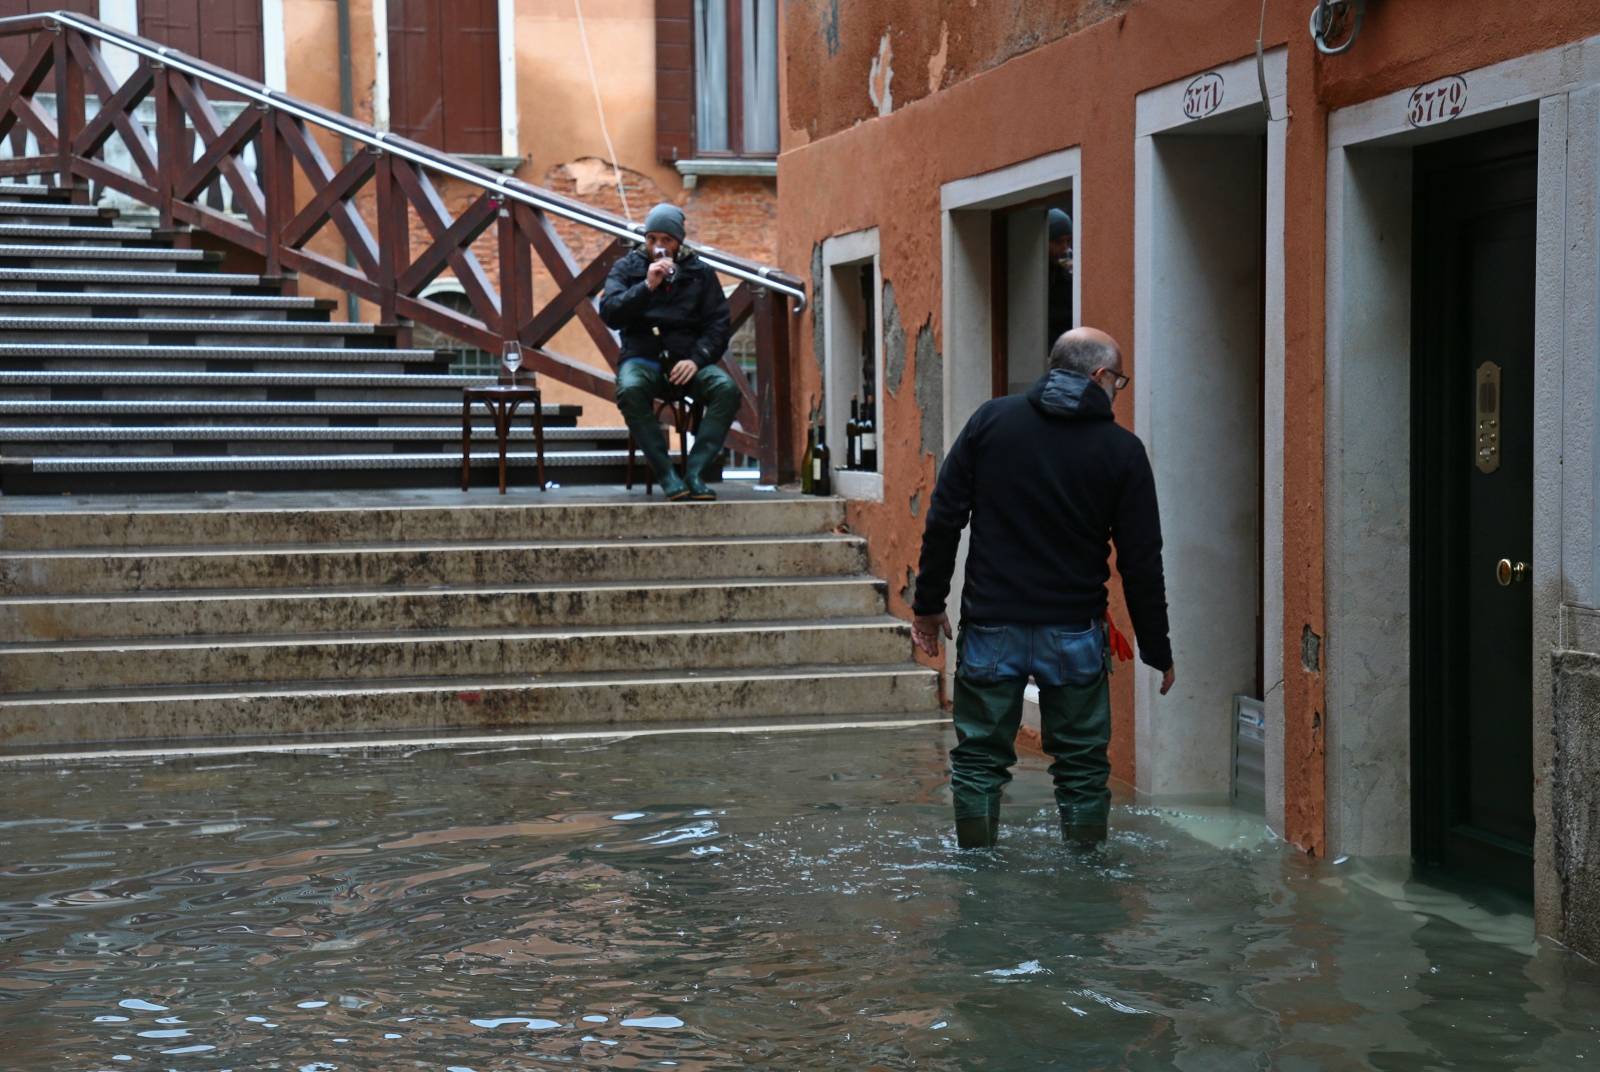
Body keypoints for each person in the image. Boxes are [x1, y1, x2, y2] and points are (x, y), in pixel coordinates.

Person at [910, 327, 1175, 851]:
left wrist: (928, 605)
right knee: (1081, 767)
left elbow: (944, 519)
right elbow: (1141, 561)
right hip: (1073, 633)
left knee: (979, 763)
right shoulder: (1122, 450)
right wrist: (1157, 647)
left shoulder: (991, 421)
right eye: (1118, 381)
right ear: (1099, 377)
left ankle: (976, 878)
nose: (1117, 392)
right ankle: (1085, 884)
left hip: (991, 626)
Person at [599, 202, 738, 501]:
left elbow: (719, 324)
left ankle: (696, 473)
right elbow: (609, 311)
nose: (658, 246)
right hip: (642, 357)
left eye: (666, 240)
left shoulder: (699, 272)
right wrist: (647, 286)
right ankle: (666, 474)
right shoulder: (627, 267)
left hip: (687, 359)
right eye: (652, 239)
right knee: (630, 389)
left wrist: (697, 358)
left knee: (726, 389)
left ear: (678, 242)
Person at [1046, 208, 1074, 349]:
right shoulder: (1034, 277)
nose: (1065, 248)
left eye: (1068, 241)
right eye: (1058, 242)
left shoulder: (1067, 275)